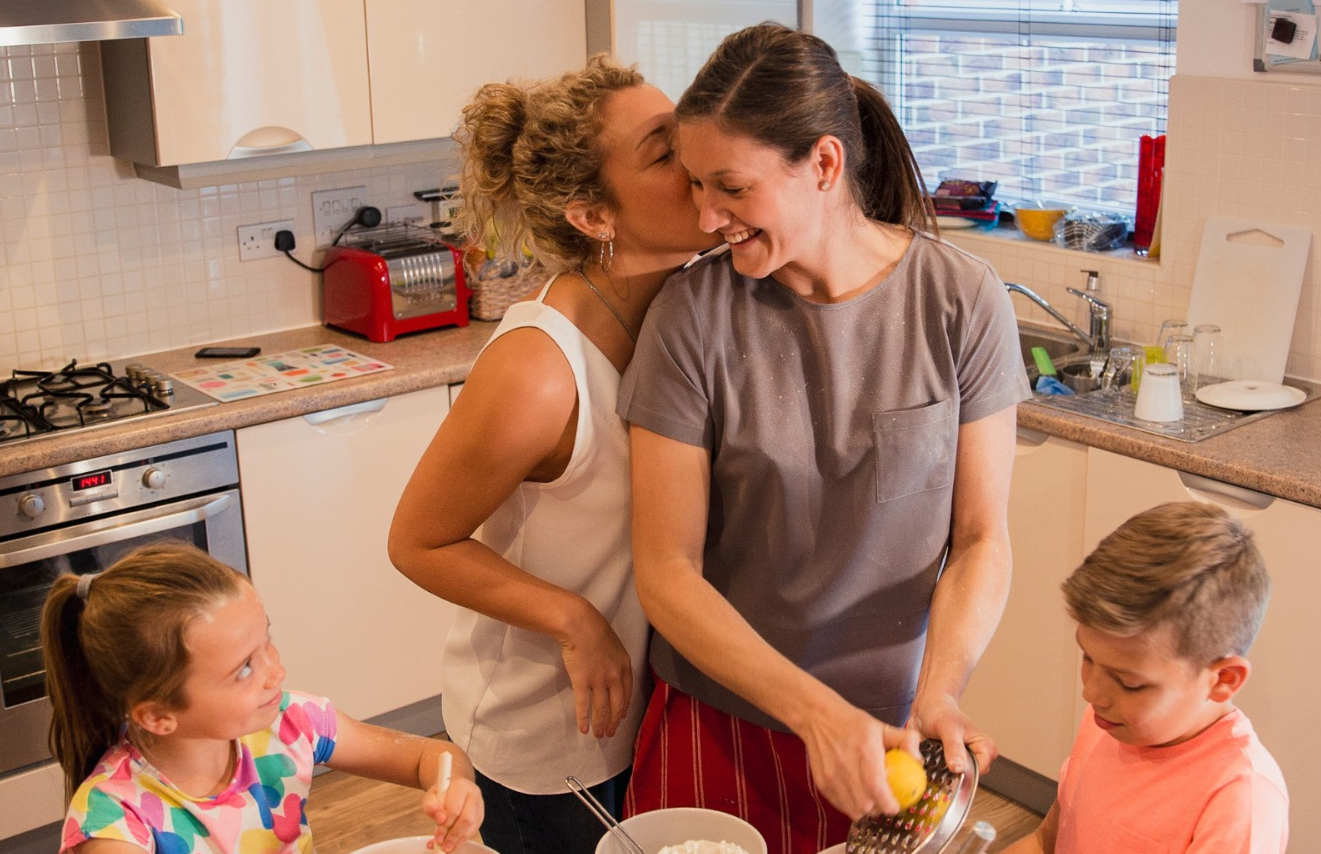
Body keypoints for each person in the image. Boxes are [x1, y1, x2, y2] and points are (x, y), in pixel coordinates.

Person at [616, 22, 1031, 854]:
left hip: (887, 743)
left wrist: (940, 692)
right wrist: (815, 715)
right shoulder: (691, 319)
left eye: (730, 188)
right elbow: (666, 572)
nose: (706, 215)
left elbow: (981, 539)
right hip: (722, 729)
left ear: (825, 165)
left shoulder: (961, 301)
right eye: (695, 185)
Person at [387, 55, 721, 854]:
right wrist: (573, 621)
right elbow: (418, 542)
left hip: (649, 707)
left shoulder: (689, 303)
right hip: (548, 734)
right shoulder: (539, 369)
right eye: (664, 153)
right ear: (594, 216)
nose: (697, 163)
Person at [41, 542, 484, 854]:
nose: (277, 671)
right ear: (158, 715)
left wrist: (454, 787)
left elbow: (431, 756)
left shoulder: (290, 724)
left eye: (267, 641)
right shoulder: (115, 823)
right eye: (244, 669)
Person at [1004, 502, 1288, 854]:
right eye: (1088, 658)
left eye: (1130, 684)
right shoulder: (1111, 721)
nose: (1091, 693)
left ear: (1223, 679)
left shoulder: (1240, 800)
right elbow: (1046, 841)